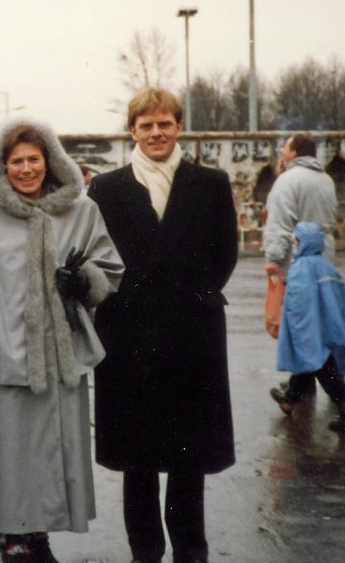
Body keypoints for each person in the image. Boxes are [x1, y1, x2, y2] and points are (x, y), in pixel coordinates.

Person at [0, 117, 124, 562]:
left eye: (34, 159)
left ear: (50, 160)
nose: (26, 169)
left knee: (51, 448)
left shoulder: (81, 210)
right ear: (0, 166)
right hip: (4, 354)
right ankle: (13, 535)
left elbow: (109, 268)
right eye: (16, 161)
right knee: (8, 451)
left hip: (59, 354)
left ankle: (38, 532)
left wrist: (82, 282)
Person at [88, 88, 238, 563]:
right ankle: (145, 552)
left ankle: (192, 550)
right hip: (129, 337)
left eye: (165, 124)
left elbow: (225, 253)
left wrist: (195, 297)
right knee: (139, 460)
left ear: (178, 127)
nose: (156, 133)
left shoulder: (210, 183)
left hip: (190, 337)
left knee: (187, 457)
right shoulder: (107, 188)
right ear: (131, 130)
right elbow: (97, 256)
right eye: (146, 125)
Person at [263, 132, 337, 411]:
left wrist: (273, 258)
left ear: (294, 153)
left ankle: (340, 401)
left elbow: (280, 224)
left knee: (301, 327)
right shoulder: (325, 180)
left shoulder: (288, 181)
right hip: (324, 259)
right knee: (314, 322)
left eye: (284, 147)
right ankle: (301, 386)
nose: (281, 152)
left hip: (296, 262)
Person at [276, 222, 345, 432]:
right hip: (328, 325)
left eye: (297, 241)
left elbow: (298, 304)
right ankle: (289, 400)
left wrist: (294, 329)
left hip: (311, 328)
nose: (295, 245)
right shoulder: (326, 265)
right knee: (311, 362)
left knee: (320, 366)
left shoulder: (301, 267)